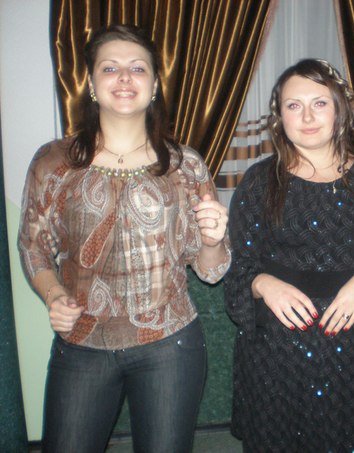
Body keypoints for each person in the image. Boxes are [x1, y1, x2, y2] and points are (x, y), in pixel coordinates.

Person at [18, 24, 230, 453]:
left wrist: (213, 240)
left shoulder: (185, 166)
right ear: (91, 84)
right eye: (110, 68)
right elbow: (33, 245)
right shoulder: (55, 161)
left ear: (154, 86)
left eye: (138, 68)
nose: (124, 78)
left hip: (170, 345)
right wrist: (54, 296)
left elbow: (211, 273)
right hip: (82, 341)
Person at [224, 58, 354, 452]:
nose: (307, 116)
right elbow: (238, 269)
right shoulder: (259, 180)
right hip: (276, 352)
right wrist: (264, 283)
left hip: (350, 347)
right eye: (293, 105)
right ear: (279, 116)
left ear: (339, 109)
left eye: (319, 103)